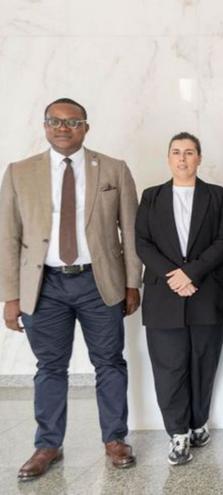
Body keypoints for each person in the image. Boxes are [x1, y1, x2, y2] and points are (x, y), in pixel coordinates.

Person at [0, 98, 142, 481]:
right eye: (56, 122)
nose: (64, 128)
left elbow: (129, 232)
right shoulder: (18, 172)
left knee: (109, 362)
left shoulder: (114, 169)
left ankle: (115, 439)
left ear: (86, 127)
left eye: (73, 122)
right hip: (43, 286)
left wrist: (132, 283)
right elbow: (8, 237)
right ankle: (48, 444)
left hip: (99, 282)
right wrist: (11, 296)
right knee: (49, 367)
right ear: (45, 126)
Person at [135, 132, 223, 465]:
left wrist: (191, 273)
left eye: (189, 152)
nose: (182, 158)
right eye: (176, 152)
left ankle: (197, 423)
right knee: (169, 367)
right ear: (168, 158)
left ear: (199, 158)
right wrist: (175, 276)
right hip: (164, 296)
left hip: (207, 294)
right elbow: (143, 243)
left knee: (203, 363)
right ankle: (177, 434)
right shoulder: (151, 197)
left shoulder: (217, 196)